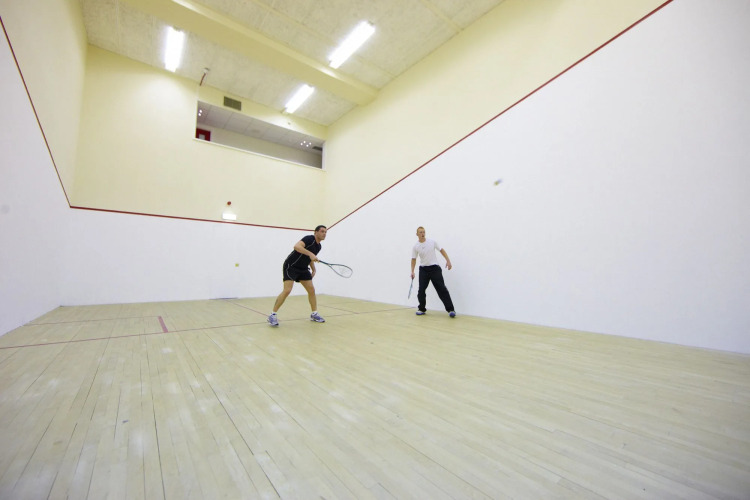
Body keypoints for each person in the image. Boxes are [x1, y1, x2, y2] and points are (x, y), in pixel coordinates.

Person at [268, 225, 327, 327]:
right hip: (291, 266)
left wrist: (313, 268)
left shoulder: (319, 246)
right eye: (322, 231)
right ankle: (272, 315)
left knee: (311, 290)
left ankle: (314, 314)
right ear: (316, 232)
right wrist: (310, 254)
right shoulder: (309, 239)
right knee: (287, 290)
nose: (324, 234)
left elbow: (309, 258)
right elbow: (297, 247)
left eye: (325, 232)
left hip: (303, 268)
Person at [411, 226, 456, 317]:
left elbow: (441, 250)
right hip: (423, 269)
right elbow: (413, 259)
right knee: (421, 290)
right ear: (417, 234)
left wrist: (448, 261)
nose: (422, 234)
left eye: (423, 232)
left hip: (435, 268)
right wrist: (412, 271)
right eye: (420, 232)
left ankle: (451, 310)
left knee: (442, 289)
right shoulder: (416, 246)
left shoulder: (432, 242)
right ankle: (421, 309)